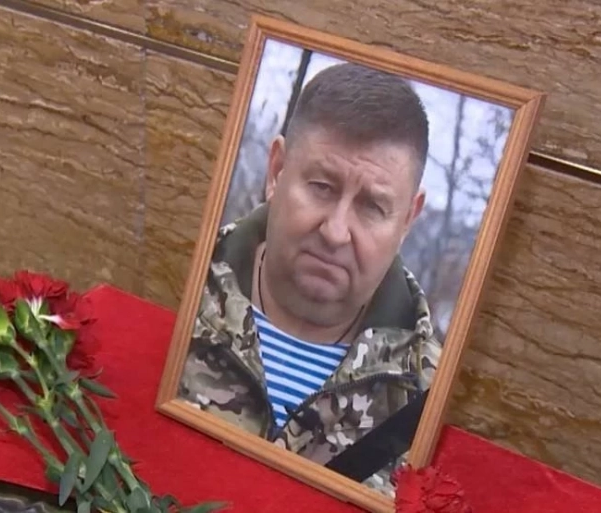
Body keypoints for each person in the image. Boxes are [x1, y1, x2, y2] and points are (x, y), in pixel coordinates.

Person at [178, 62, 443, 497]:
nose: (336, 232)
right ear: (276, 170)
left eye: (372, 207)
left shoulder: (428, 397)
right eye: (322, 186)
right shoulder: (177, 291)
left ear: (407, 220)